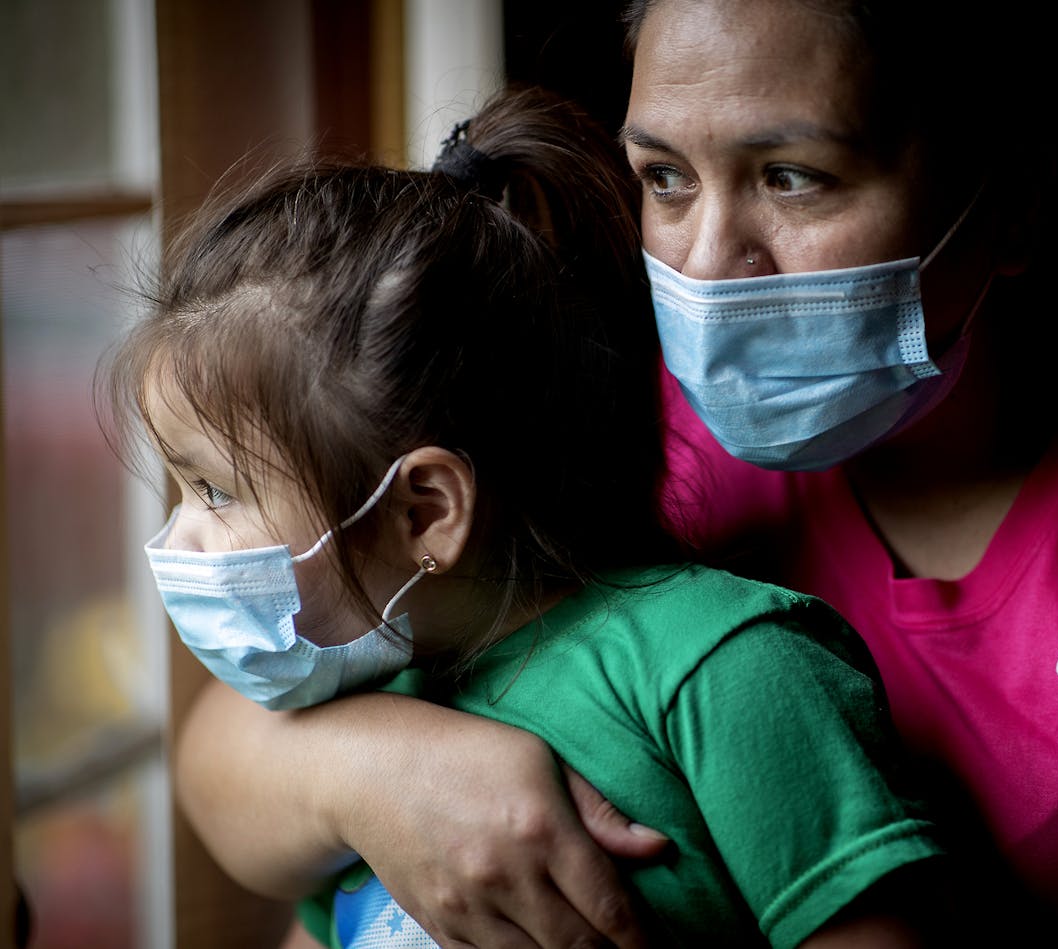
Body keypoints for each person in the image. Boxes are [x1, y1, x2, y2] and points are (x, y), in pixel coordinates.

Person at [169, 2, 1058, 947]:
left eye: (792, 177)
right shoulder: (613, 412)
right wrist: (386, 774)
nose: (712, 261)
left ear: (1012, 200)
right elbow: (235, 753)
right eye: (662, 177)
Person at [104, 84, 953, 948]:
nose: (182, 540)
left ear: (425, 511)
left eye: (216, 490)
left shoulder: (724, 670)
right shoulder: (378, 693)